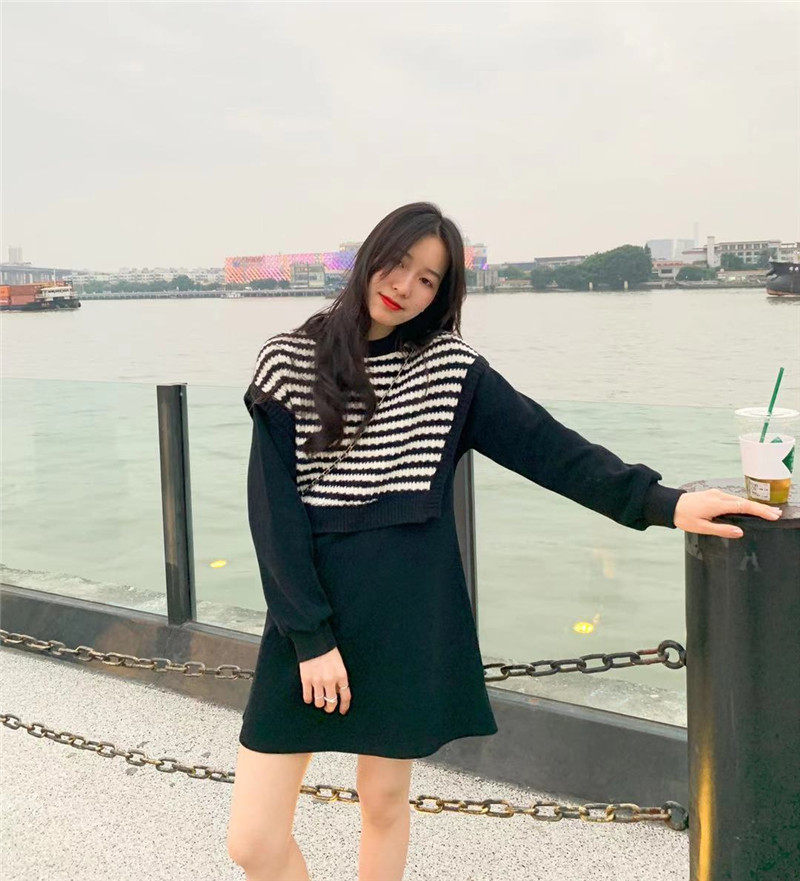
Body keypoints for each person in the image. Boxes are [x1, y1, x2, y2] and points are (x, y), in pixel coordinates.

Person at [226, 201, 781, 881]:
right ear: (370, 256)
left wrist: (664, 503)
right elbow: (273, 516)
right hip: (309, 618)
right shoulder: (288, 361)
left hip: (406, 615)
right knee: (253, 840)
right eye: (399, 264)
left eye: (428, 279)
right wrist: (311, 637)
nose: (405, 286)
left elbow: (549, 450)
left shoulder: (448, 369)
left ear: (442, 294)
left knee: (384, 802)